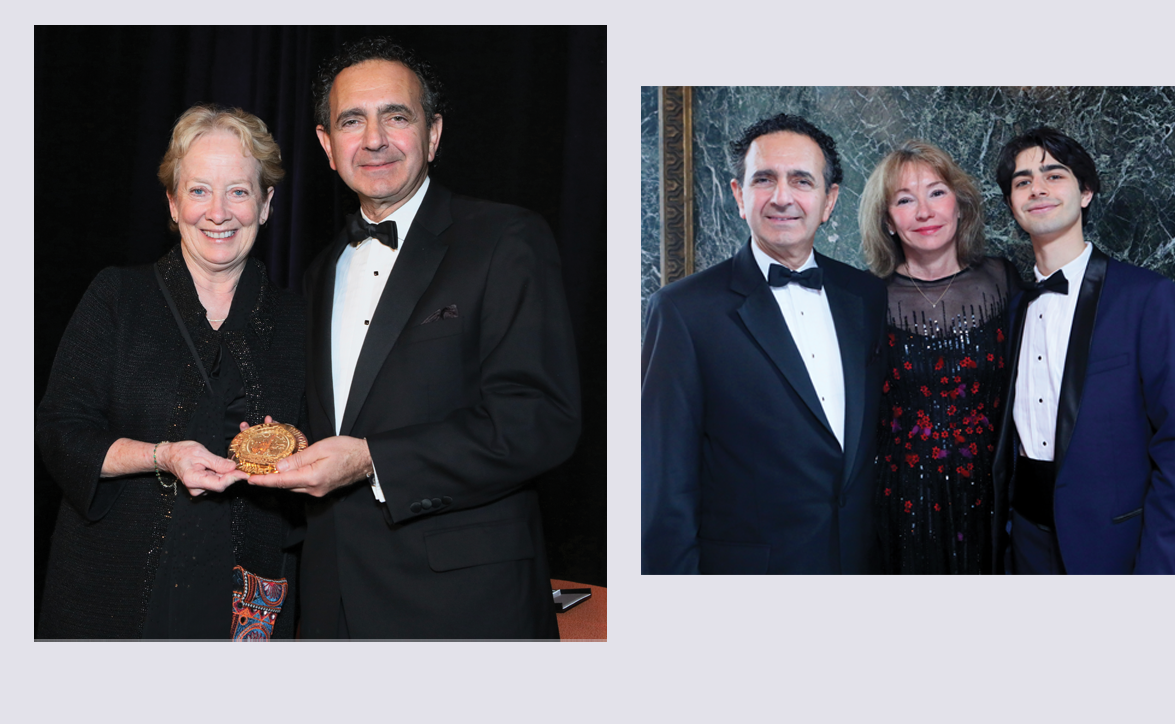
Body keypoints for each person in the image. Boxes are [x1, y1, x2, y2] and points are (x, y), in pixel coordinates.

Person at [248, 37, 580, 638]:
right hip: (332, 605)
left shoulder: (506, 239)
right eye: (352, 120)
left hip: (463, 608)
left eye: (396, 116)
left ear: (432, 134)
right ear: (327, 145)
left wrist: (373, 459)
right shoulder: (321, 269)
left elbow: (541, 419)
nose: (374, 138)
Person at [36, 105, 305, 638]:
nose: (219, 212)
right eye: (200, 190)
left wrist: (296, 443)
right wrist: (162, 455)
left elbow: (327, 438)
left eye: (239, 191)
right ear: (173, 202)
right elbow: (60, 433)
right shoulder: (117, 296)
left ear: (267, 203)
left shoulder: (300, 317)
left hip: (247, 593)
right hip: (112, 584)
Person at [642, 113, 887, 574]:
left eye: (801, 180)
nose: (782, 197)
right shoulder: (682, 311)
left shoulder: (867, 296)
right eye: (763, 179)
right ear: (738, 195)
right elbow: (663, 484)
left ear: (829, 200)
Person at [991, 126, 1175, 574]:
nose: (1038, 188)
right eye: (1022, 181)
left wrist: (1160, 565)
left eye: (1054, 175)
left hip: (1118, 548)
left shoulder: (1148, 297)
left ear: (1085, 192)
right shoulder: (1014, 308)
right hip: (1025, 547)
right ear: (1013, 204)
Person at [858, 141, 1018, 574]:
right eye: (905, 200)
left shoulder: (1008, 280)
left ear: (960, 205)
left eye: (936, 192)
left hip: (995, 497)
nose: (924, 212)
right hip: (900, 501)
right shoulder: (864, 299)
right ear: (888, 221)